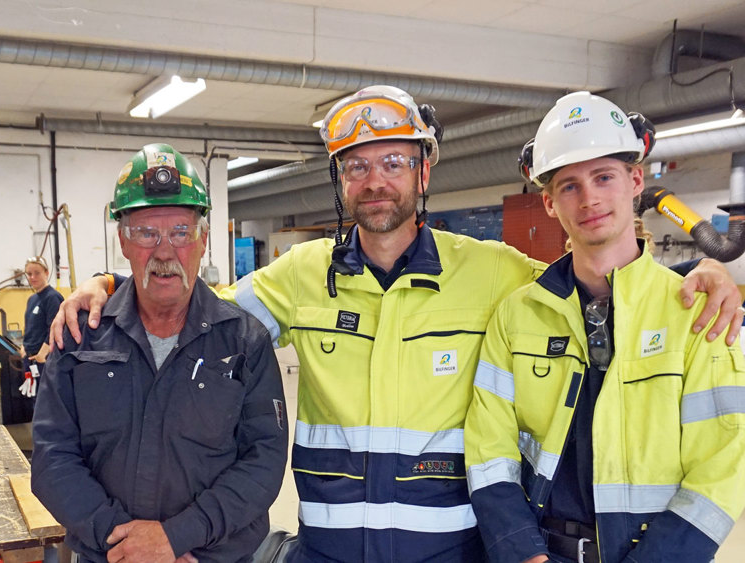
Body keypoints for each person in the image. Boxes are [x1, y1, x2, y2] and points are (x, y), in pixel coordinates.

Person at [51, 86, 744, 562]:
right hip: (326, 547)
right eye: (356, 166)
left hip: (449, 548)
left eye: (391, 161)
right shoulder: (301, 273)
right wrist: (109, 284)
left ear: (423, 168)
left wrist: (691, 277)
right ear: (339, 179)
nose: (374, 180)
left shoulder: (495, 272)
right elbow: (200, 306)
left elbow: (588, 282)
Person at [464, 91, 745, 563]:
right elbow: (488, 450)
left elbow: (724, 461)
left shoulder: (694, 312)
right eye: (569, 185)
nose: (589, 198)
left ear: (635, 180)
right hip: (540, 552)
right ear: (550, 204)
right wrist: (524, 554)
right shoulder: (517, 315)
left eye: (603, 177)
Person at [31, 143, 288, 563]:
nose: (165, 252)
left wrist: (177, 538)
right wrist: (128, 546)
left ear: (203, 240)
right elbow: (51, 457)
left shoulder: (245, 342)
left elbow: (263, 464)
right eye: (147, 233)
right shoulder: (81, 335)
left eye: (181, 232)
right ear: (124, 242)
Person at [17, 256, 63, 397]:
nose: (32, 277)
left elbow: (54, 328)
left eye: (37, 273)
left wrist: (43, 354)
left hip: (45, 359)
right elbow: (30, 326)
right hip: (31, 358)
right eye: (29, 274)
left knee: (48, 398)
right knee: (34, 398)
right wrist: (24, 347)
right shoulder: (32, 299)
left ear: (46, 273)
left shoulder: (52, 298)